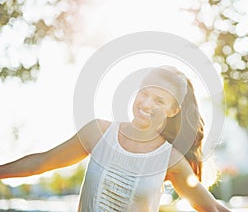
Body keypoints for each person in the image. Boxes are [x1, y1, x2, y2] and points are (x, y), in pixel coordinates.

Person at [0, 66, 231, 212]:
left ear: (173, 111)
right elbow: (41, 162)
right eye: (144, 93)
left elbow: (210, 207)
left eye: (159, 101)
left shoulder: (170, 159)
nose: (147, 104)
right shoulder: (99, 132)